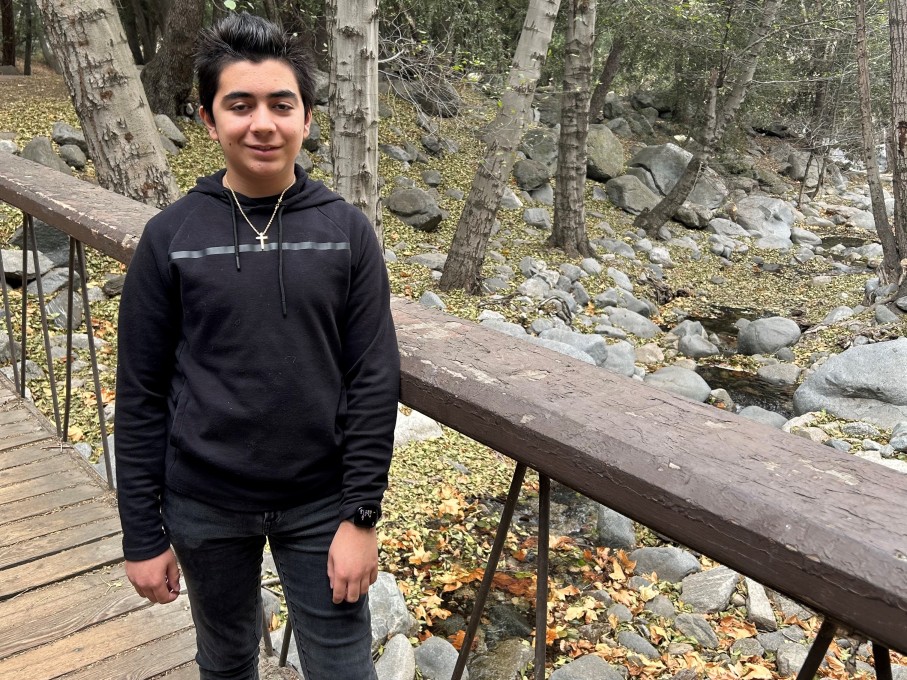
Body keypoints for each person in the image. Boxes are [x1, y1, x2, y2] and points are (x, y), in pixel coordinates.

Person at [114, 12, 399, 680]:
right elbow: (140, 394)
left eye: (281, 104)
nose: (262, 123)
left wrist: (362, 515)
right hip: (202, 502)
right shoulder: (172, 236)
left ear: (305, 117)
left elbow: (371, 378)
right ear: (210, 121)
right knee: (227, 658)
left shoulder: (345, 233)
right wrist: (142, 534)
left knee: (341, 667)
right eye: (239, 105)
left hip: (321, 502)